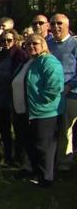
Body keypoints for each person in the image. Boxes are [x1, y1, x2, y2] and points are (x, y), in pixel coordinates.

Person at [23, 34, 64, 187]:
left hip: (47, 112)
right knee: (36, 145)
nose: (31, 46)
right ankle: (38, 175)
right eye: (28, 44)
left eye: (35, 43)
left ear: (43, 44)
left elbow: (55, 86)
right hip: (34, 111)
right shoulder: (34, 61)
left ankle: (47, 179)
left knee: (45, 147)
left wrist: (41, 100)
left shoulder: (49, 61)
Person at [0, 29, 28, 165]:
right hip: (0, 96)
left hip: (15, 96)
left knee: (19, 130)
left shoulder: (21, 55)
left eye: (9, 40)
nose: (5, 43)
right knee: (4, 130)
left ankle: (19, 157)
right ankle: (7, 156)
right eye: (2, 40)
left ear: (15, 40)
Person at [47, 13, 77, 172]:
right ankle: (50, 162)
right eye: (52, 23)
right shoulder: (48, 43)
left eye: (59, 23)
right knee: (51, 129)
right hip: (50, 94)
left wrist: (69, 86)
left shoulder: (74, 44)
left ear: (67, 25)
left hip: (69, 93)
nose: (56, 26)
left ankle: (64, 164)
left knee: (66, 130)